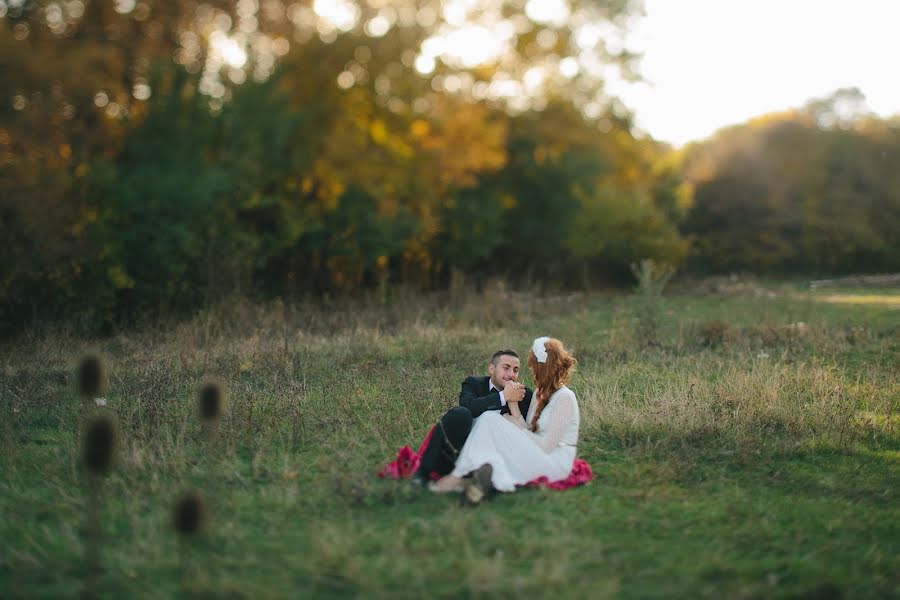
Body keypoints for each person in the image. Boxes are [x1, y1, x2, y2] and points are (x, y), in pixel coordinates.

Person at [428, 337, 579, 501]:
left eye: (533, 367)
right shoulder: (538, 393)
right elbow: (527, 428)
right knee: (487, 418)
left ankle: (458, 476)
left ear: (544, 369)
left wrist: (517, 427)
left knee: (489, 421)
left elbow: (546, 446)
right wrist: (513, 403)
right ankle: (480, 478)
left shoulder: (565, 398)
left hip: (554, 462)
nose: (531, 371)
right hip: (536, 451)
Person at [410, 349, 534, 485]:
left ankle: (482, 480)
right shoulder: (473, 383)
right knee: (459, 413)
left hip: (496, 453)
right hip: (463, 446)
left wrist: (513, 402)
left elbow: (525, 431)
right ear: (492, 369)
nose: (511, 374)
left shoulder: (524, 394)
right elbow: (468, 406)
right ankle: (423, 472)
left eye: (515, 370)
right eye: (506, 368)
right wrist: (503, 397)